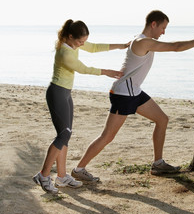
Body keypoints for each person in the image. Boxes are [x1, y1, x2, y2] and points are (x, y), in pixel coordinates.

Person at [71, 10, 194, 182]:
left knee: (162, 119)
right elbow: (175, 47)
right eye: (163, 28)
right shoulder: (142, 41)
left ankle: (158, 163)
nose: (163, 32)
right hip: (124, 94)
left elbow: (175, 45)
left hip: (134, 91)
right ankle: (78, 169)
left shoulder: (144, 40)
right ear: (153, 24)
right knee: (108, 136)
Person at [33, 19, 129, 194]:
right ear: (70, 37)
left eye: (83, 42)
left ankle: (61, 176)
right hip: (57, 93)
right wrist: (107, 72)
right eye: (79, 42)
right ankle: (43, 175)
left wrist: (121, 45)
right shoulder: (65, 53)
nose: (82, 45)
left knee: (66, 135)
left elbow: (94, 47)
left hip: (65, 93)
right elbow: (84, 69)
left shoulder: (73, 45)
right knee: (64, 134)